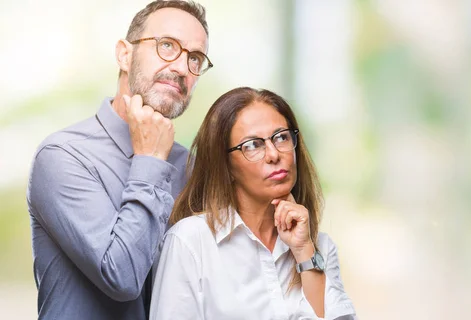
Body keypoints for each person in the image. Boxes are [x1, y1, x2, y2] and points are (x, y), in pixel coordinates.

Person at [26, 1, 212, 319]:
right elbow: (121, 277)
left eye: (194, 58)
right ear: (125, 54)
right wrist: (150, 159)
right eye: (167, 45)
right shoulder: (62, 156)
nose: (182, 68)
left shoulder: (193, 169)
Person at [149, 87, 357, 319]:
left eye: (281, 137)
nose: (273, 154)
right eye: (252, 145)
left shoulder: (319, 246)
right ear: (225, 166)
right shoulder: (190, 242)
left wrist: (303, 252)